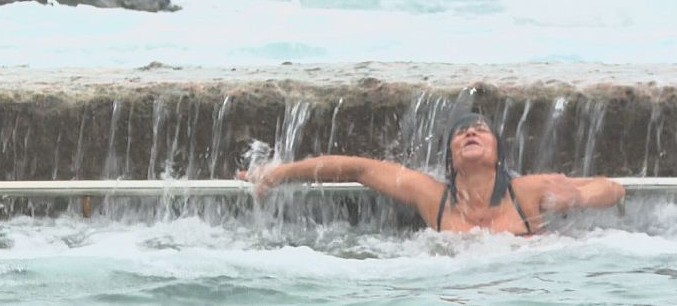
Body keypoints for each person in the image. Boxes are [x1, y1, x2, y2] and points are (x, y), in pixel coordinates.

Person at [238, 112, 625, 235]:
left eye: (480, 129)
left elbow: (613, 188)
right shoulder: (432, 197)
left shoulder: (527, 192)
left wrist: (578, 197)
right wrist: (278, 173)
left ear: (498, 154)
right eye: (460, 133)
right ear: (452, 157)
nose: (470, 132)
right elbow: (358, 168)